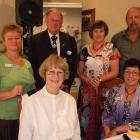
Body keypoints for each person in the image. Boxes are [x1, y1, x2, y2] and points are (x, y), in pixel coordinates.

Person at [18, 54, 81, 140]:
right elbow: (24, 137)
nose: (56, 76)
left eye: (60, 72)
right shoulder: (31, 102)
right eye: (51, 72)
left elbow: (76, 134)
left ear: (65, 75)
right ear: (44, 75)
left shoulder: (70, 101)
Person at [78, 20, 120, 140]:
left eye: (101, 31)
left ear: (105, 32)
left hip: (105, 91)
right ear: (91, 32)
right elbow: (80, 71)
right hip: (87, 91)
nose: (98, 34)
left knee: (103, 120)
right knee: (85, 120)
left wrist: (99, 79)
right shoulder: (84, 49)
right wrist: (87, 80)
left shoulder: (112, 49)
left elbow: (115, 72)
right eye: (95, 31)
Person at [27, 8, 78, 92]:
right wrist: (45, 85)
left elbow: (73, 65)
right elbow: (33, 66)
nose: (55, 23)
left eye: (57, 21)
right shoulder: (35, 40)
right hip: (42, 88)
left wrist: (66, 84)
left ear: (61, 23)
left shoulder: (70, 40)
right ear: (46, 21)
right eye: (52, 20)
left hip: (63, 88)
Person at [0, 24, 35, 140]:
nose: (14, 41)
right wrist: (11, 93)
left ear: (21, 40)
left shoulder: (26, 63)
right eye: (10, 38)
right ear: (3, 42)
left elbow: (32, 88)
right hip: (6, 118)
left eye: (17, 38)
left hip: (26, 115)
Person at [102, 58, 140, 138]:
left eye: (135, 73)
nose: (130, 76)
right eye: (127, 72)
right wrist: (108, 136)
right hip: (111, 132)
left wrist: (118, 130)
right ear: (123, 74)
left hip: (134, 135)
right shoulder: (114, 90)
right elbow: (106, 114)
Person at [111, 7, 140, 78]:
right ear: (126, 20)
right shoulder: (116, 38)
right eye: (130, 18)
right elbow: (109, 62)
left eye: (136, 17)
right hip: (120, 83)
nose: (133, 20)